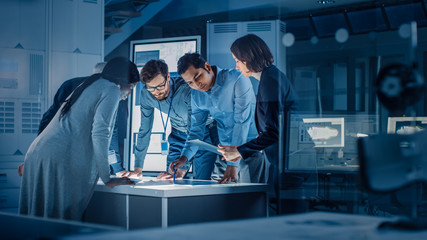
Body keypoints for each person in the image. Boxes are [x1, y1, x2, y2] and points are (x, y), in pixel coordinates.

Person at [19, 57, 139, 221]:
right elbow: (100, 134)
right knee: (61, 221)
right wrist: (107, 177)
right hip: (58, 157)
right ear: (124, 81)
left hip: (38, 153)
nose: (130, 93)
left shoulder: (89, 84)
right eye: (132, 86)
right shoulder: (111, 89)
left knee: (38, 219)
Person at [218, 34, 308, 213]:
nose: (236, 66)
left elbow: (273, 132)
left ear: (248, 59)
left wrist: (239, 151)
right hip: (289, 160)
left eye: (237, 60)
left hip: (290, 162)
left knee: (287, 217)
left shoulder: (270, 82)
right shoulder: (271, 77)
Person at [17, 62, 128, 177]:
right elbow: (109, 132)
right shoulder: (108, 91)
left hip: (55, 148)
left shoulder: (70, 84)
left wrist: (34, 155)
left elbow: (49, 118)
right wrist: (117, 168)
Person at [170, 53, 268, 184]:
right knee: (219, 198)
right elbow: (196, 130)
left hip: (249, 150)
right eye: (190, 83)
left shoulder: (237, 79)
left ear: (207, 67)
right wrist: (184, 158)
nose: (196, 85)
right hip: (224, 153)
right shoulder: (197, 94)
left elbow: (241, 122)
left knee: (251, 198)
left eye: (197, 76)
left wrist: (232, 165)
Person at [123, 59, 219, 180]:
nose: (156, 92)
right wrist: (138, 168)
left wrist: (183, 167)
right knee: (171, 178)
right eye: (151, 88)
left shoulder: (187, 90)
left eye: (160, 86)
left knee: (202, 180)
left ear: (168, 77)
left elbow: (194, 132)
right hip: (178, 133)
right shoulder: (146, 94)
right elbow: (144, 131)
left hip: (202, 133)